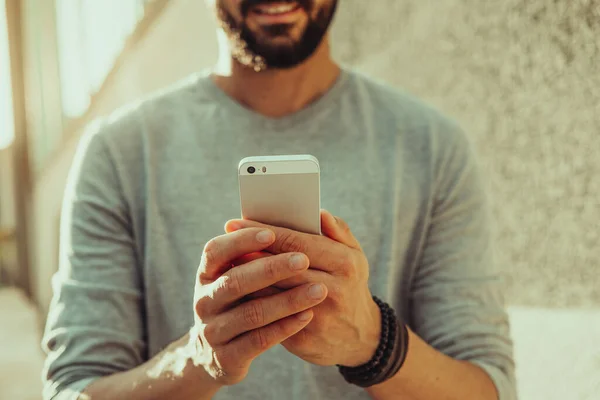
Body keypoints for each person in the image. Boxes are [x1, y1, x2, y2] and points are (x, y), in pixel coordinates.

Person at [42, 0, 517, 399]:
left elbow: (491, 387)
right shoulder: (119, 152)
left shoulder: (431, 147)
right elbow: (71, 389)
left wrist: (374, 342)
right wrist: (198, 360)